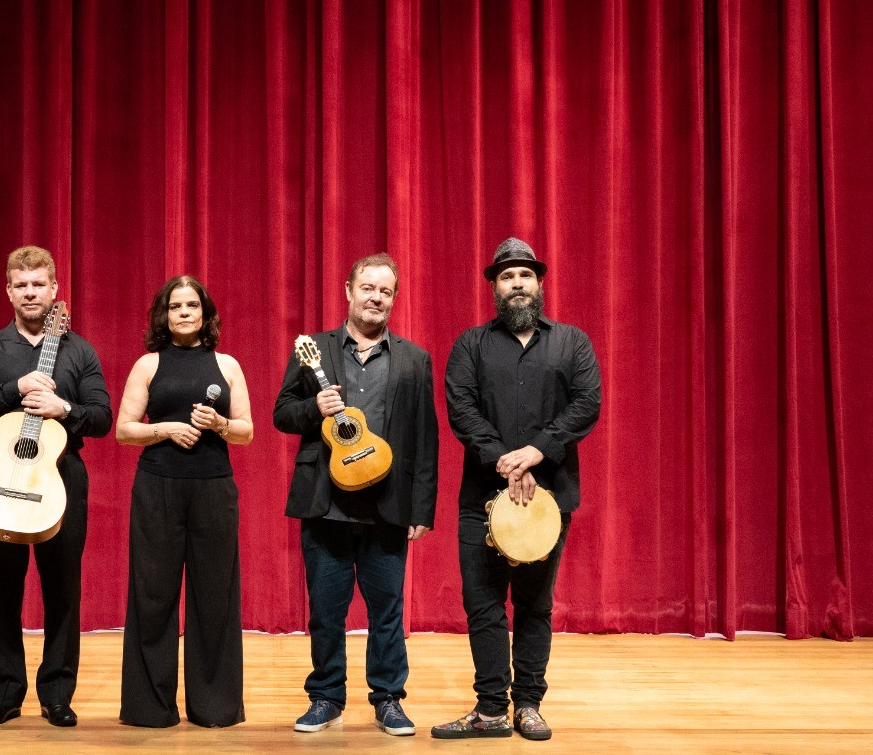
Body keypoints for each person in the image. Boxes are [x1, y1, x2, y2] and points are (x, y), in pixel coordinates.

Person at [431, 237, 601, 743]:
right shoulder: (470, 345)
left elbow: (587, 403)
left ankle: (527, 705)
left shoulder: (573, 343)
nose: (517, 283)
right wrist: (506, 460)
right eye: (507, 276)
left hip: (549, 499)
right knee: (483, 604)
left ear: (539, 282)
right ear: (494, 287)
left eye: (525, 274)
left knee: (534, 605)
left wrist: (536, 452)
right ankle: (491, 710)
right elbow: (461, 407)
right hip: (481, 498)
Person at [272, 252, 439, 737]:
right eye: (368, 288)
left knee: (387, 611)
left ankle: (388, 699)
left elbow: (425, 438)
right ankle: (326, 697)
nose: (376, 298)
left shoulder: (414, 359)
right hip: (325, 502)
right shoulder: (314, 349)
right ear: (348, 291)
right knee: (326, 611)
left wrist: (422, 507)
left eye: (385, 291)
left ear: (394, 298)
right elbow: (282, 413)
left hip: (388, 505)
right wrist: (313, 407)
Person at [0, 245, 112, 728]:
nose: (30, 292)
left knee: (63, 589)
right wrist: (12, 390)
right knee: (0, 591)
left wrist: (65, 409)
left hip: (62, 479)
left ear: (54, 289)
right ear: (8, 291)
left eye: (38, 284)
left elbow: (102, 417)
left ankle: (57, 694)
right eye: (21, 285)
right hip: (0, 481)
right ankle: (4, 694)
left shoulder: (79, 350)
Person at [114, 276, 254, 728]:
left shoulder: (227, 365)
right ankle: (149, 708)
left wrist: (219, 424)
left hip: (213, 489)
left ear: (205, 312)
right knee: (152, 595)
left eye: (192, 305)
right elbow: (123, 430)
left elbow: (246, 431)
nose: (184, 313)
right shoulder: (147, 364)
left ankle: (214, 707)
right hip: (157, 488)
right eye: (175, 306)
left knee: (215, 596)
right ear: (164, 314)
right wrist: (167, 429)